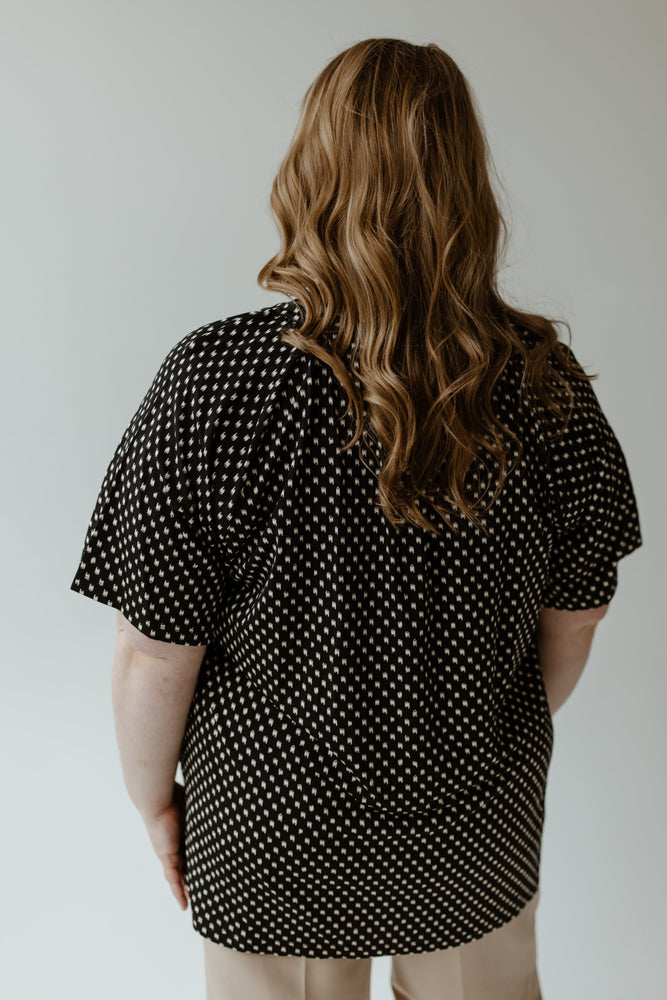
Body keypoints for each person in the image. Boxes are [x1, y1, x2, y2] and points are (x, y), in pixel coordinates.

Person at [70, 37, 643, 1000]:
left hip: (271, 831)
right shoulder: (547, 388)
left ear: (310, 173)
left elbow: (152, 653)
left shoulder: (215, 382)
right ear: (468, 184)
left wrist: (152, 800)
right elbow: (575, 617)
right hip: (473, 830)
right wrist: (461, 738)